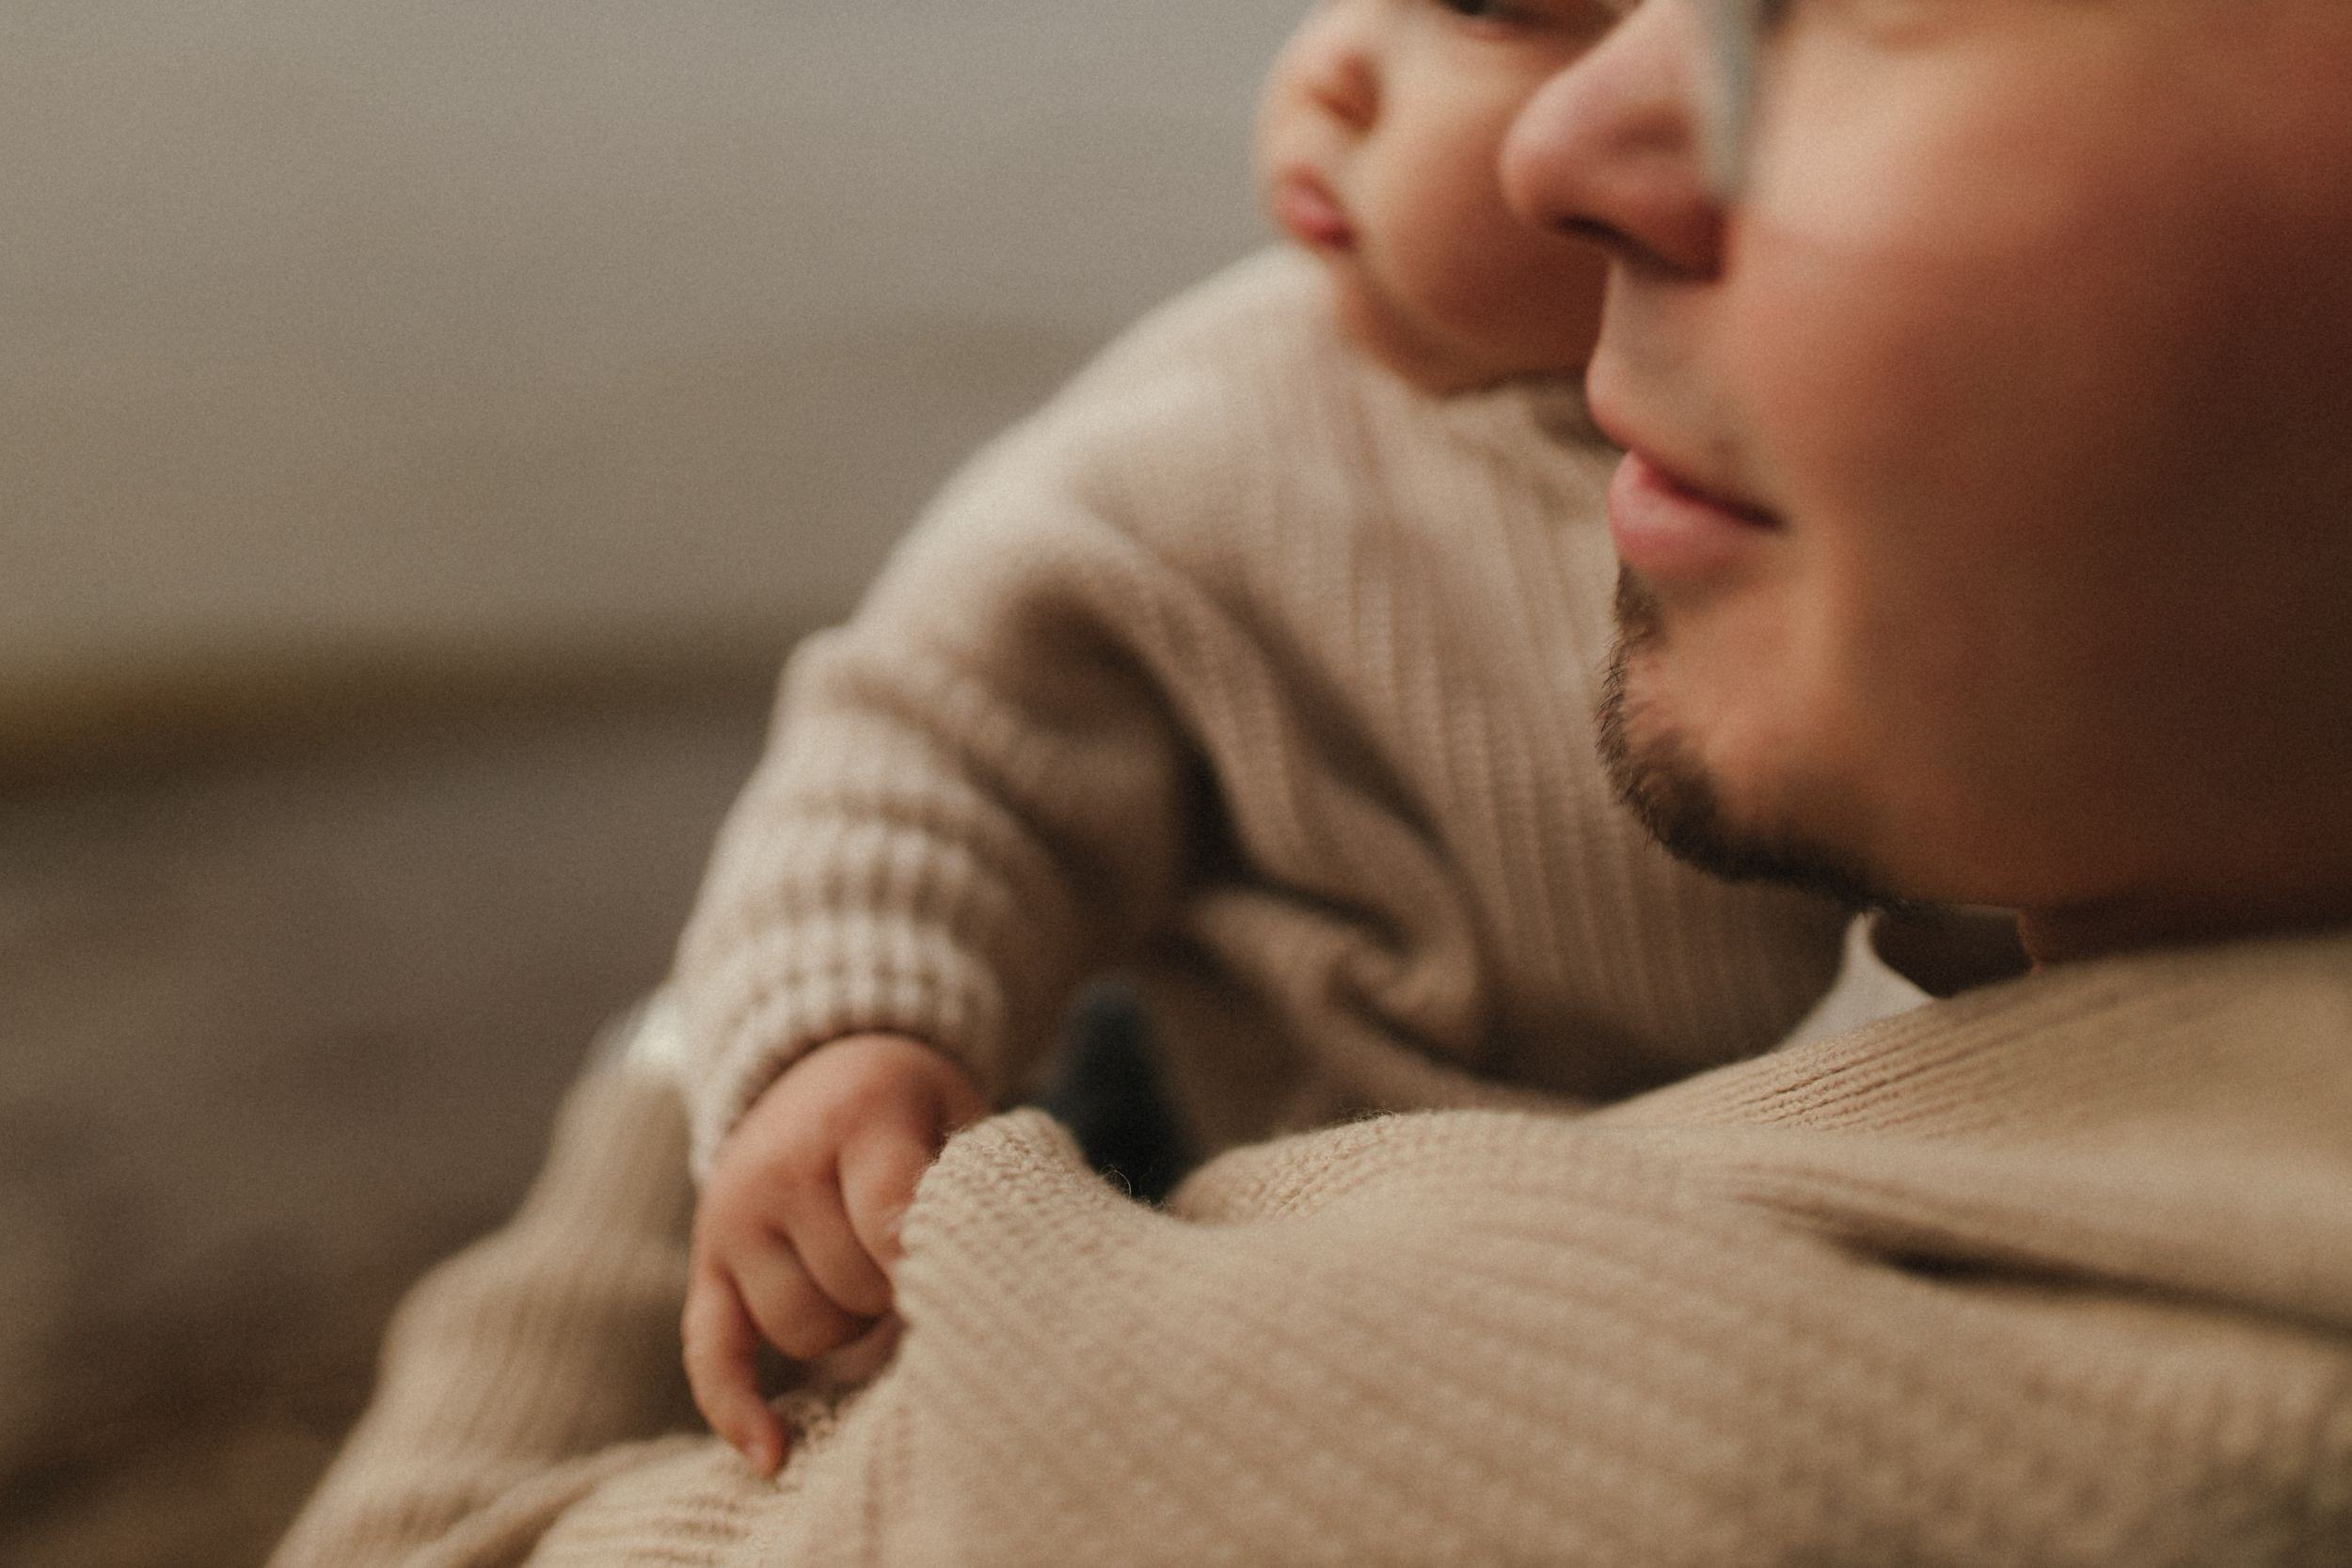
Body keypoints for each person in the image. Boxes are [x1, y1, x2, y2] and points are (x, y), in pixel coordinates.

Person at [271, 0, 2352, 1562]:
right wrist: (811, 1031)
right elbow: (921, 737)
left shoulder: (1383, 1425)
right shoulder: (1207, 429)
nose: (1572, 133)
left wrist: (636, 1120)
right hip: (1249, 1076)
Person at [667, 0, 1856, 1475]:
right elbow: (933, 746)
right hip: (1266, 1170)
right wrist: (849, 1036)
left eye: (1494, 10)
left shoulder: (1867, 468)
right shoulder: (1196, 436)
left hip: (1699, 1219)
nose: (1333, 64)